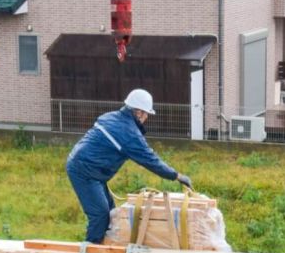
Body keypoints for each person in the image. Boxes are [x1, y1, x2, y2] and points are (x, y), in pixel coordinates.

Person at [65, 89, 192, 243]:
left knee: (111, 213)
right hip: (84, 172)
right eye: (146, 114)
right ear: (138, 113)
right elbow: (151, 160)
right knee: (100, 214)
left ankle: (105, 246)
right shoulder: (129, 134)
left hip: (89, 169)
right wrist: (177, 176)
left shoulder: (111, 117)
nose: (146, 118)